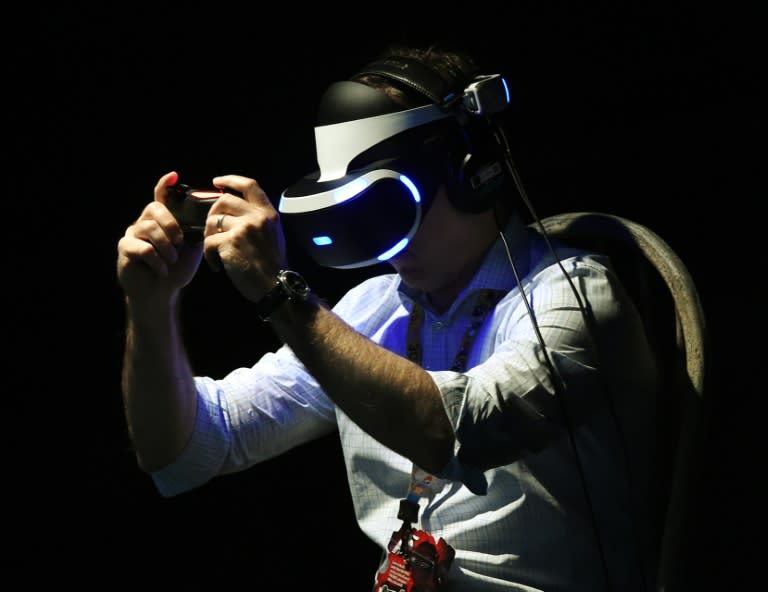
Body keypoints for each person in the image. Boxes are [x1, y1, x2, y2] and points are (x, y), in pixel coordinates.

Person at [117, 41, 660, 591]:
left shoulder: (575, 294)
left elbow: (458, 434)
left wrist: (281, 295)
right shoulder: (367, 310)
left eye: (389, 198)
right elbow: (182, 450)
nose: (378, 230)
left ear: (471, 171)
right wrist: (152, 305)